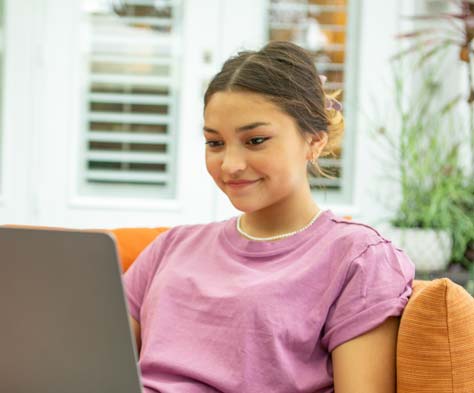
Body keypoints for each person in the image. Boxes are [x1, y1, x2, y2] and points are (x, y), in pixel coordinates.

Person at [123, 41, 415, 393]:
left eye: (256, 140)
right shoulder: (172, 246)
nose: (230, 165)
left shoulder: (359, 259)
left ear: (315, 141)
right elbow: (91, 364)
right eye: (215, 143)